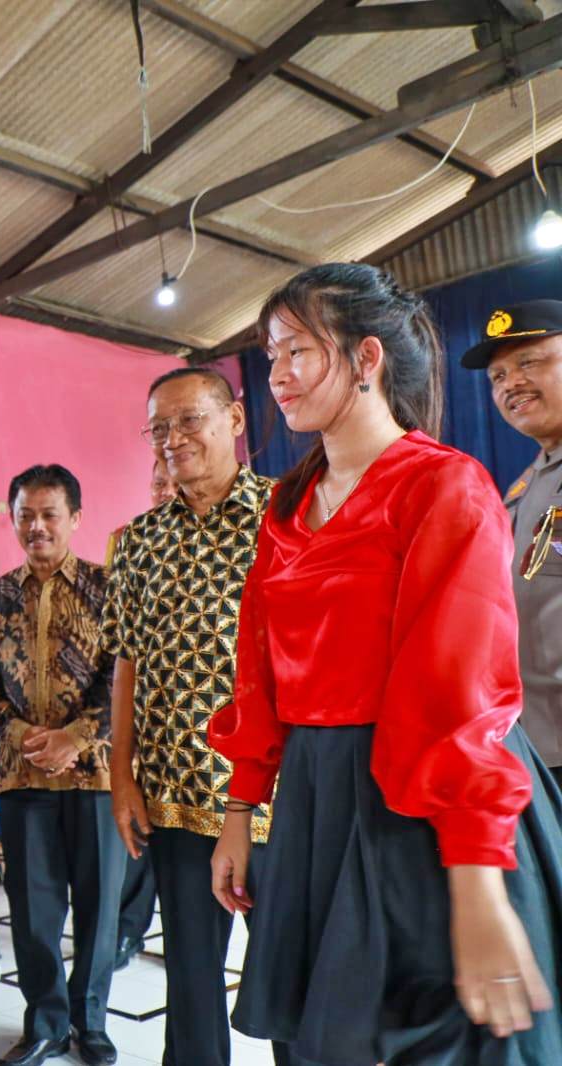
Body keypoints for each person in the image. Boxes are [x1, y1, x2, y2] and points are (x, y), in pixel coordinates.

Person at [210, 262, 562, 1065]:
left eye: (298, 350)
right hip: (315, 796)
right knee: (320, 1039)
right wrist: (240, 808)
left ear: (366, 357)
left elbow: (458, 690)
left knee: (439, 1031)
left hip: (423, 797)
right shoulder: (287, 505)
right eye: (271, 356)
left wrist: (476, 881)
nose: (278, 375)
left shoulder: (444, 485)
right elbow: (258, 673)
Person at [102, 367, 274, 1066]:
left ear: (234, 419)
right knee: (191, 980)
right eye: (159, 427)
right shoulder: (138, 541)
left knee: (288, 975)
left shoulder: (288, 515)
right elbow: (126, 662)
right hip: (174, 796)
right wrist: (120, 776)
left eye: (189, 420)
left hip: (276, 797)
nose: (172, 439)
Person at [0, 464, 122, 1066]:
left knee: (99, 908)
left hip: (97, 776)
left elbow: (123, 676)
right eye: (25, 515)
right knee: (34, 911)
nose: (37, 526)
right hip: (22, 774)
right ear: (12, 520)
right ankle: (47, 1025)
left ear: (75, 518)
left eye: (49, 514)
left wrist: (75, 738)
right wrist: (20, 733)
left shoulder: (107, 588)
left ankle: (92, 1023)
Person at [461, 299, 562, 782]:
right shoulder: (524, 486)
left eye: (529, 362)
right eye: (497, 377)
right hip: (540, 743)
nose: (511, 384)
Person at [103, 459, 174, 971]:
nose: (165, 490)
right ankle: (128, 931)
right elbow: (121, 649)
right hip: (145, 725)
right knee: (141, 841)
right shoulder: (131, 541)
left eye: (171, 482)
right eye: (158, 483)